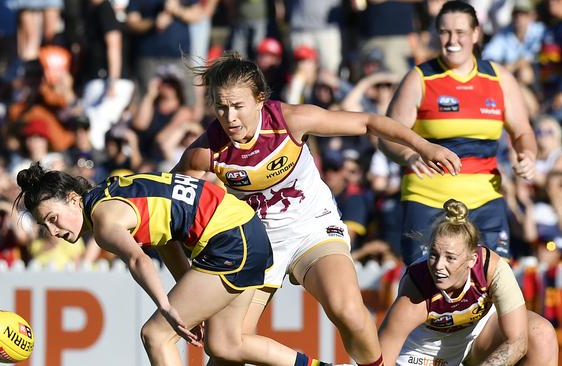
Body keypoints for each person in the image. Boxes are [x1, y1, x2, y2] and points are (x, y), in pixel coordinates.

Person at [173, 51, 461, 366]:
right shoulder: (203, 153)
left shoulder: (291, 120)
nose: (230, 119)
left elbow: (368, 122)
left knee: (348, 310)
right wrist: (192, 293)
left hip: (312, 228)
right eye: (221, 107)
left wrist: (424, 146)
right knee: (224, 346)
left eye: (238, 106)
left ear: (259, 99)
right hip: (255, 244)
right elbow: (168, 219)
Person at [14, 163, 332, 366]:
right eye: (46, 227)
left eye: (53, 219)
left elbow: (139, 260)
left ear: (73, 198)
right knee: (225, 346)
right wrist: (193, 305)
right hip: (246, 231)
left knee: (155, 335)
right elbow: (164, 240)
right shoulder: (111, 191)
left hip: (230, 240)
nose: (54, 231)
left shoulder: (103, 221)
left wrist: (167, 307)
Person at [379, 0, 537, 265]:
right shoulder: (420, 78)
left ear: (476, 34)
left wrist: (528, 155)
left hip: (485, 201)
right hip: (427, 199)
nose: (452, 40)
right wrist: (409, 155)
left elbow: (522, 131)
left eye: (460, 32)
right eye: (444, 32)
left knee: (496, 288)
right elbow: (386, 136)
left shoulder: (499, 79)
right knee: (424, 289)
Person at [378, 199, 558, 366]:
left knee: (541, 334)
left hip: (477, 339)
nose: (439, 266)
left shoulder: (492, 268)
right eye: (434, 255)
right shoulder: (417, 286)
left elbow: (518, 341)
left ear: (472, 259)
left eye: (450, 258)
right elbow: (383, 355)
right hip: (423, 355)